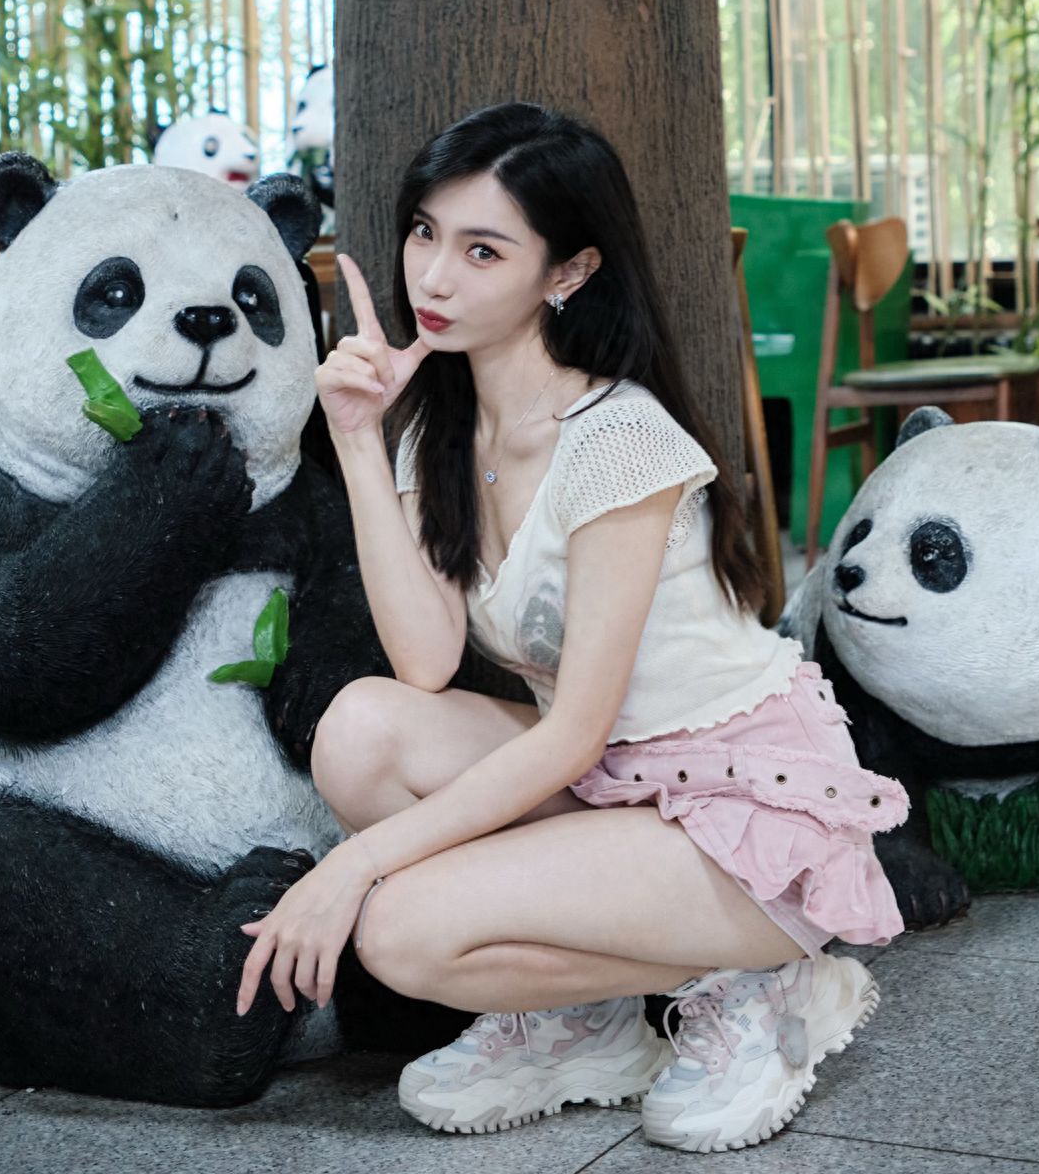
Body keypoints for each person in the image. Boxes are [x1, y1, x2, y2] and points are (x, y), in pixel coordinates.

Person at [236, 102, 909, 1152]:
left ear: (568, 272)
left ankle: (764, 979)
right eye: (424, 233)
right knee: (361, 729)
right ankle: (581, 1020)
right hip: (614, 785)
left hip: (734, 803)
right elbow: (424, 660)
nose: (434, 277)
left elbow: (573, 732)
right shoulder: (442, 425)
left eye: (482, 250)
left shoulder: (619, 439)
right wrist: (359, 440)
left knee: (396, 931)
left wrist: (349, 868)